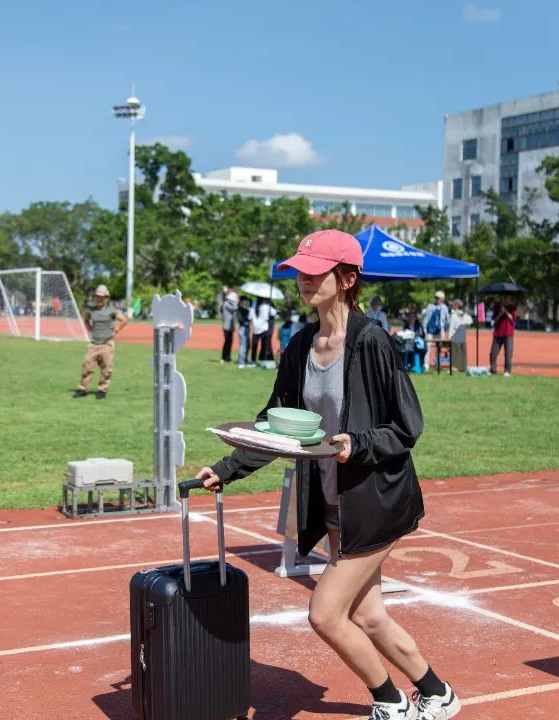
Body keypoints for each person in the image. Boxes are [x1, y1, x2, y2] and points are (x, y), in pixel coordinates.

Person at [196, 228, 459, 720]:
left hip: (376, 501)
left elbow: (406, 426)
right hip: (336, 502)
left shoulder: (372, 341)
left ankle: (391, 703)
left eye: (316, 272)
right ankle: (437, 694)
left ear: (347, 278)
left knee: (324, 613)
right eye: (300, 271)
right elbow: (276, 426)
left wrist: (358, 444)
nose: (304, 280)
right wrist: (227, 468)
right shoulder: (300, 345)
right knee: (368, 614)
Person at [73, 285, 127, 399]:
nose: (99, 299)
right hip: (93, 344)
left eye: (102, 297)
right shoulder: (91, 310)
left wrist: (116, 330)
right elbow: (86, 320)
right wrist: (90, 330)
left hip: (107, 344)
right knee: (87, 367)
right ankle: (82, 389)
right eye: (97, 296)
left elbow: (124, 320)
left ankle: (102, 390)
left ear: (106, 297)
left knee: (106, 369)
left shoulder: (111, 310)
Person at [489, 295, 518, 376]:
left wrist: (505, 311)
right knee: (493, 353)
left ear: (509, 299)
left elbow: (513, 319)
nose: (504, 300)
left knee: (508, 354)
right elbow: (494, 321)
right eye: (503, 298)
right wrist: (500, 314)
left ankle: (507, 371)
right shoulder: (497, 307)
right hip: (498, 333)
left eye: (506, 298)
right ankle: (493, 370)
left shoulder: (513, 308)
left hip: (508, 334)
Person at [448, 299, 473, 373]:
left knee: (455, 353)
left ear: (456, 306)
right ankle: (463, 367)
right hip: (462, 337)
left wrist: (449, 337)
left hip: (454, 336)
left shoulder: (454, 316)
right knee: (462, 353)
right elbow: (470, 321)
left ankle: (455, 367)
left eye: (453, 305)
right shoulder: (465, 315)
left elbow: (452, 327)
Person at [220, 290, 238, 363]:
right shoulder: (226, 304)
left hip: (230, 326)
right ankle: (224, 357)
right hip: (226, 326)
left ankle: (227, 357)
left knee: (229, 342)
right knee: (227, 342)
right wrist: (236, 303)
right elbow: (234, 308)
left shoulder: (229, 303)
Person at [236, 296, 252, 368]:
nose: (245, 302)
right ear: (241, 301)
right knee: (243, 346)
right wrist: (246, 320)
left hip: (247, 328)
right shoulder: (239, 309)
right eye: (244, 301)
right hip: (242, 328)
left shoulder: (246, 309)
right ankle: (241, 362)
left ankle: (245, 360)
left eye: (246, 301)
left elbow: (250, 314)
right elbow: (241, 320)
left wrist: (250, 299)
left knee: (248, 345)